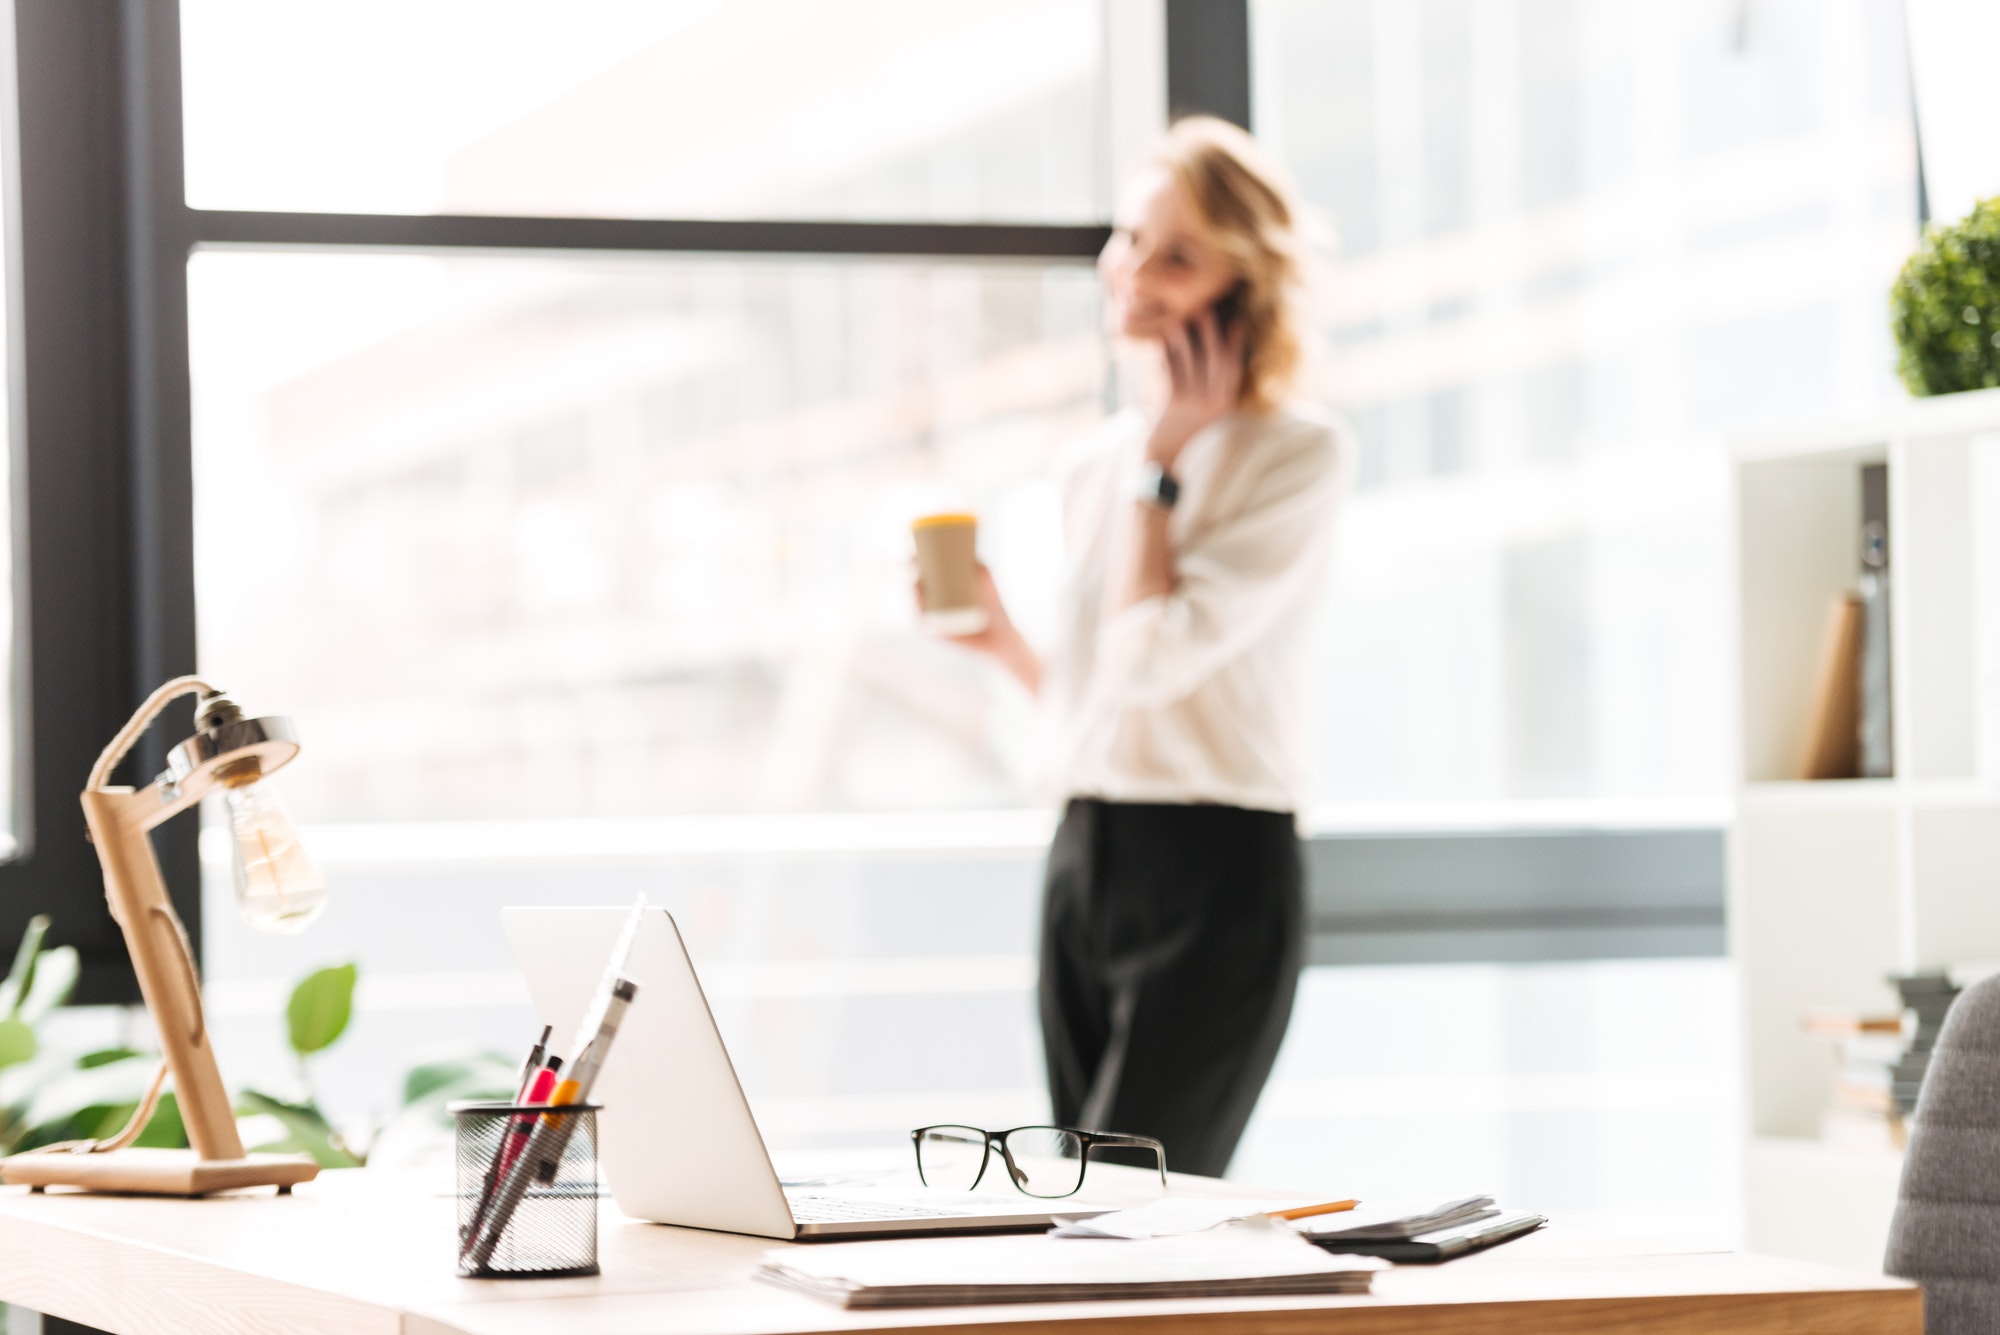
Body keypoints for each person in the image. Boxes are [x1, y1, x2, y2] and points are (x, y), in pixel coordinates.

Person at [942, 116, 1348, 1178]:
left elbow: (1156, 659)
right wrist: (1004, 647)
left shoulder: (1293, 456)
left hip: (1214, 868)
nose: (1135, 272)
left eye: (1177, 253)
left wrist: (1160, 475)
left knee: (1131, 1210)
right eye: (1130, 239)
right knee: (1072, 1202)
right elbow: (1102, 705)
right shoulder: (1094, 463)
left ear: (1243, 279)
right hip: (1085, 854)